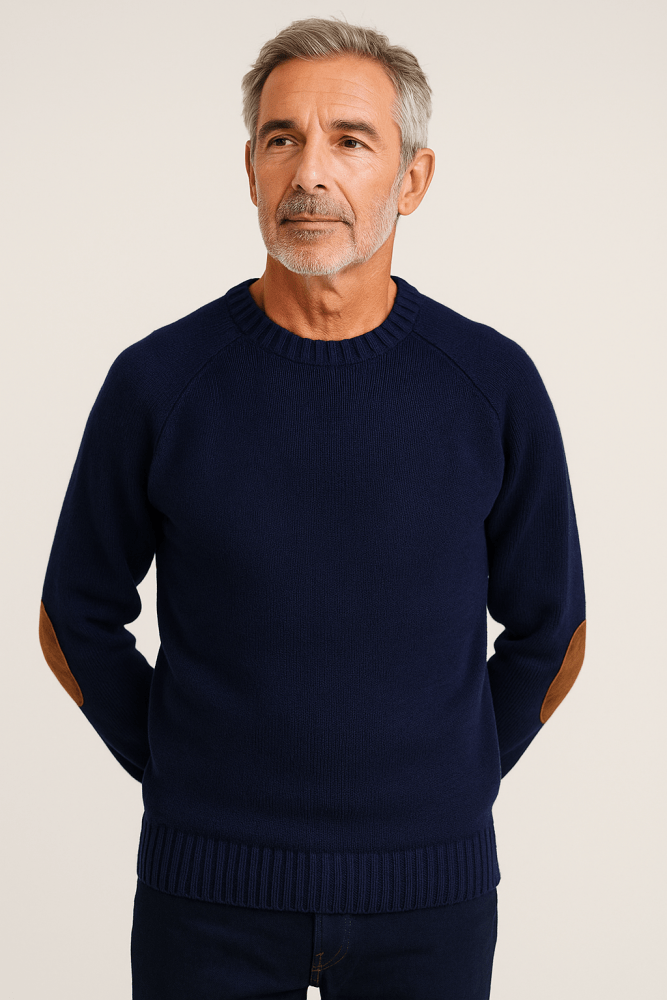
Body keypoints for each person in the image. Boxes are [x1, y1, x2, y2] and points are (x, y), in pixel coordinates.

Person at [38, 16, 586, 1000]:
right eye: (281, 138)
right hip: (205, 898)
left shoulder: (490, 384)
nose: (310, 173)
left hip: (430, 901)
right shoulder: (159, 382)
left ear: (411, 179)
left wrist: (450, 786)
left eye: (350, 140)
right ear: (249, 170)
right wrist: (182, 772)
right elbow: (72, 614)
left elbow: (556, 629)